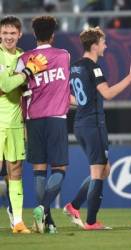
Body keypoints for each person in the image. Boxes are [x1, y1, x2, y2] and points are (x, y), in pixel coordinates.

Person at [63, 27, 131, 230]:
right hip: (94, 124)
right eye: (103, 42)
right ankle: (91, 222)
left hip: (80, 124)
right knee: (98, 172)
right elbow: (107, 94)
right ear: (94, 45)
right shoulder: (93, 67)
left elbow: (70, 98)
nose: (105, 46)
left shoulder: (75, 67)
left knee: (103, 170)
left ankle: (73, 205)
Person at [18, 15, 70, 234]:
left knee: (39, 170)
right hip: (56, 118)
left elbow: (20, 91)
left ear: (34, 34)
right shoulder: (64, 56)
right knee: (59, 168)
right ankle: (42, 208)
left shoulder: (25, 59)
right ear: (53, 35)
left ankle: (47, 223)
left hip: (33, 119)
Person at [0, 15, 47, 233]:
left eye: (12, 33)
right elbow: (7, 85)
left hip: (16, 122)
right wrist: (27, 72)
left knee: (16, 171)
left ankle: (17, 221)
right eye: (5, 33)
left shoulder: (23, 56)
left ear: (19, 35)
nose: (8, 37)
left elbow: (25, 91)